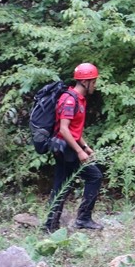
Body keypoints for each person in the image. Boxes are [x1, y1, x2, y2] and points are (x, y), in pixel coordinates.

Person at [44, 63, 104, 232]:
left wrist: (85, 147)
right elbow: (64, 129)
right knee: (94, 176)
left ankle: (50, 225)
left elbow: (74, 130)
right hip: (66, 149)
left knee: (62, 185)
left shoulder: (78, 99)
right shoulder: (70, 100)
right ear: (85, 82)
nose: (95, 85)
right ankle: (83, 219)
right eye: (93, 82)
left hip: (66, 147)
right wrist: (79, 151)